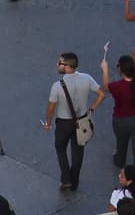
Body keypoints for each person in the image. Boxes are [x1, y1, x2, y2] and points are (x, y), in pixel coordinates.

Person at [45, 52, 107, 195]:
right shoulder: (87, 78)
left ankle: (66, 178)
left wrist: (48, 122)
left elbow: (51, 107)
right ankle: (74, 182)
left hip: (63, 123)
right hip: (82, 120)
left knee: (60, 148)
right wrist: (92, 108)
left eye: (60, 63)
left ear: (68, 66)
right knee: (78, 152)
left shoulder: (57, 86)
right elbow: (102, 95)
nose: (57, 65)